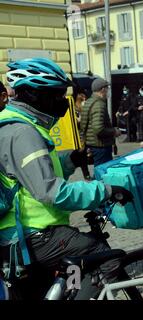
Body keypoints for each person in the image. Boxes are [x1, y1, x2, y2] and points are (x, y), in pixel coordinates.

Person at [0, 58, 133, 300]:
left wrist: (71, 159)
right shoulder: (23, 133)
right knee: (106, 257)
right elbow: (52, 192)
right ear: (34, 94)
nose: (63, 102)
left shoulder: (15, 125)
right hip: (34, 235)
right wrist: (104, 190)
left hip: (18, 234)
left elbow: (31, 174)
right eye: (57, 95)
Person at [80, 77, 121, 166]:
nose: (108, 91)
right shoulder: (99, 104)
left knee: (99, 169)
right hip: (100, 145)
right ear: (103, 89)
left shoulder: (89, 101)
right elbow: (98, 129)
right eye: (107, 88)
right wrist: (114, 131)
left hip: (92, 144)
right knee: (102, 172)